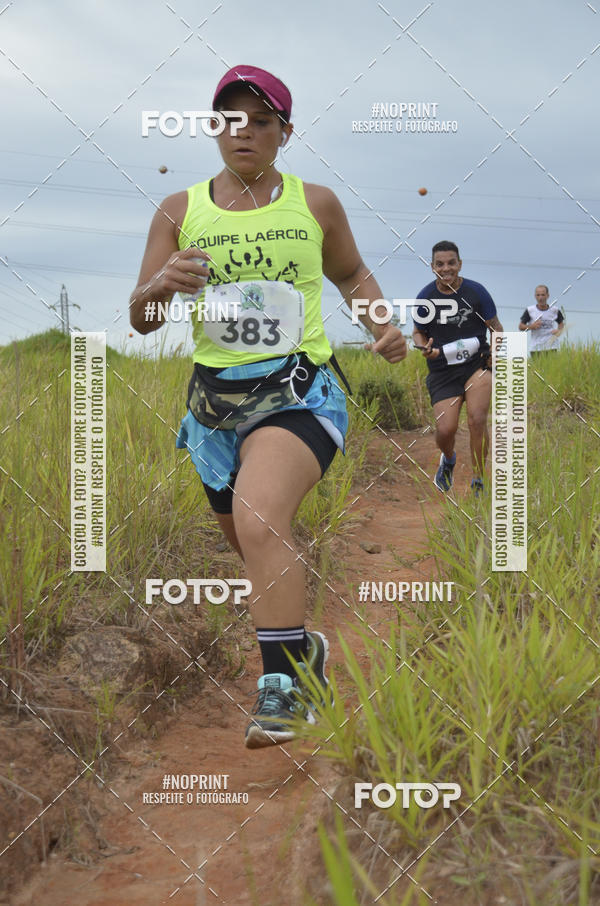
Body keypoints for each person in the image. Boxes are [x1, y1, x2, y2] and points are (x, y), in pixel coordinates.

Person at [129, 65, 406, 748]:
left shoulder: (315, 204)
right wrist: (161, 283)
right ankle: (302, 644)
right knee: (251, 539)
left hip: (300, 390)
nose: (243, 129)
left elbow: (351, 274)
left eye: (260, 118)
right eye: (230, 117)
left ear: (285, 131)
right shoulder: (178, 208)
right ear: (214, 127)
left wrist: (380, 324)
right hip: (213, 409)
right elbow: (141, 316)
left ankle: (282, 688)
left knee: (258, 515)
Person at [412, 240, 503, 496]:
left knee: (476, 419)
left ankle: (479, 479)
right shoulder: (426, 297)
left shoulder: (477, 292)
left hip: (476, 364)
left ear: (459, 264)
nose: (446, 268)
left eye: (451, 262)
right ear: (432, 267)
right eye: (440, 264)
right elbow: (417, 333)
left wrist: (495, 354)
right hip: (443, 370)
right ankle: (449, 459)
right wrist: (423, 348)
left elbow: (496, 328)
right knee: (445, 430)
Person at [519, 285, 565, 356]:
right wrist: (531, 326)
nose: (540, 298)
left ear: (547, 295)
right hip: (536, 348)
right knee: (538, 367)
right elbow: (521, 327)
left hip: (552, 347)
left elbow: (561, 323)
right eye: (538, 295)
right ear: (535, 296)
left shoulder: (554, 310)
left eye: (543, 295)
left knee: (552, 367)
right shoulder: (530, 310)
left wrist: (558, 331)